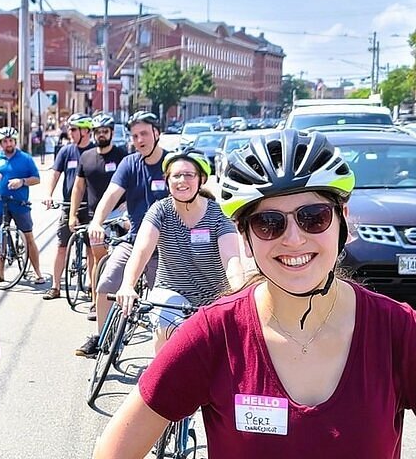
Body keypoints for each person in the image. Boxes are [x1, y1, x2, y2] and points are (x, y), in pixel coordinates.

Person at [93, 129, 416, 459]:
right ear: (246, 237)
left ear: (342, 221)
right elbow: (113, 452)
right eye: (268, 223)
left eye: (313, 218)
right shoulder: (212, 335)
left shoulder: (397, 329)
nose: (293, 239)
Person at [114, 147, 243, 351]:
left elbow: (232, 260)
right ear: (167, 180)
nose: (182, 180)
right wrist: (127, 285)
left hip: (215, 296)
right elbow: (141, 251)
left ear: (201, 179)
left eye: (189, 175)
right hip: (171, 291)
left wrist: (238, 292)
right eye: (176, 175)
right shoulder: (160, 210)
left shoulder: (218, 214)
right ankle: (162, 379)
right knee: (167, 328)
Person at [77, 111, 169, 357]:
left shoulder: (172, 165)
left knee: (163, 302)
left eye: (144, 134)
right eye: (135, 135)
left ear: (156, 133)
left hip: (165, 247)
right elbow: (111, 194)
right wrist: (97, 221)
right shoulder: (130, 163)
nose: (140, 140)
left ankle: (165, 356)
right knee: (106, 283)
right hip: (134, 240)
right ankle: (102, 338)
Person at [68, 113, 127, 316]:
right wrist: (72, 214)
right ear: (93, 134)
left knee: (118, 258)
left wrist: (127, 206)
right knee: (96, 259)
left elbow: (133, 184)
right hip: (96, 218)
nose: (102, 135)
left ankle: (120, 300)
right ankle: (96, 301)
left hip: (120, 217)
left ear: (111, 132)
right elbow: (78, 187)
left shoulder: (122, 156)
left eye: (105, 131)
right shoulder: (86, 157)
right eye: (98, 132)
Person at [0, 126, 45, 284]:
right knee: (0, 238)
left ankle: (38, 273)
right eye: (5, 141)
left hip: (20, 204)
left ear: (15, 141)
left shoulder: (26, 159)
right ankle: (0, 273)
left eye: (11, 141)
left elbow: (36, 178)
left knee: (28, 237)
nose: (8, 144)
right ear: (0, 143)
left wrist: (22, 181)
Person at [42, 113, 95, 300]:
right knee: (61, 246)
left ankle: (91, 285)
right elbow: (55, 174)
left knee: (91, 248)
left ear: (86, 131)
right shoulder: (66, 151)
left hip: (90, 208)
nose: (70, 133)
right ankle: (55, 286)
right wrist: (48, 195)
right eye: (70, 129)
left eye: (73, 129)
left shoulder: (95, 152)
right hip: (68, 206)